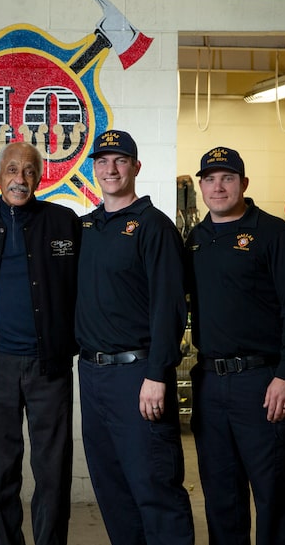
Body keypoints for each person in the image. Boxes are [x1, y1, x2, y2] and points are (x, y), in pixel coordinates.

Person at [75, 129, 194, 545]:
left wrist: (158, 374)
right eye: (103, 161)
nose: (110, 169)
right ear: (93, 169)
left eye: (120, 160)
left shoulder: (154, 227)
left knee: (154, 485)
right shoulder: (85, 226)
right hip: (91, 375)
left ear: (136, 167)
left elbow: (170, 307)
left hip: (138, 374)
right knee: (112, 489)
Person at [184, 146, 285, 545]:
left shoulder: (274, 234)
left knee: (272, 492)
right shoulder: (196, 238)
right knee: (221, 493)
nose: (218, 187)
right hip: (209, 382)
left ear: (244, 183)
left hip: (262, 381)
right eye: (210, 179)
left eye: (227, 178)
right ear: (201, 185)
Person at [0, 141, 80, 545]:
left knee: (52, 471)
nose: (20, 179)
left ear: (40, 176)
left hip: (50, 368)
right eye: (12, 170)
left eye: (29, 171)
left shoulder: (65, 222)